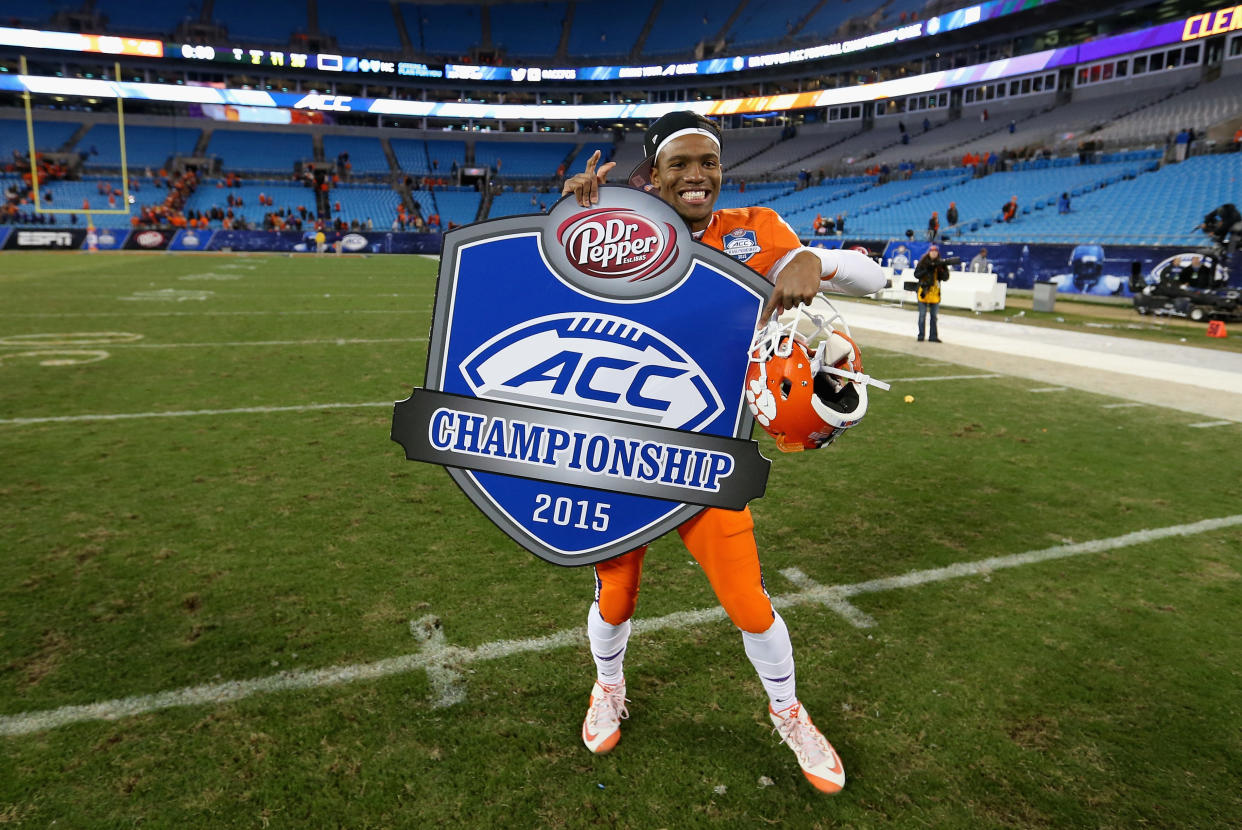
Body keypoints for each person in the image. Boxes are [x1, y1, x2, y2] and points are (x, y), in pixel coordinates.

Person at [561, 110, 884, 794]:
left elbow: (872, 278)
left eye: (707, 160)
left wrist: (811, 259)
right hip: (623, 451)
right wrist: (565, 223)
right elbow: (539, 293)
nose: (696, 175)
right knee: (616, 595)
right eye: (679, 163)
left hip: (710, 455)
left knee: (749, 603)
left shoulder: (757, 230)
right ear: (654, 172)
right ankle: (607, 685)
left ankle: (789, 711)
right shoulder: (620, 230)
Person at [914, 244, 949, 342]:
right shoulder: (923, 263)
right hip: (923, 292)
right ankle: (921, 335)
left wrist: (940, 269)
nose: (933, 253)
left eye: (935, 251)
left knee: (934, 316)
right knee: (922, 315)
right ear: (929, 252)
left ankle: (933, 336)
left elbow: (946, 277)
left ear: (937, 253)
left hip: (935, 293)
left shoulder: (941, 264)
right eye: (932, 251)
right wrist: (927, 269)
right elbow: (916, 274)